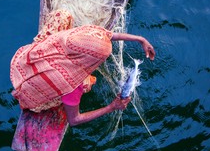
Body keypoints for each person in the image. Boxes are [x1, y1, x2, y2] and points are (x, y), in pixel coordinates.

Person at [10, 9, 155, 126]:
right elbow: (74, 120)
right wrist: (112, 107)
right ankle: (38, 98)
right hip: (32, 97)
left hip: (20, 66)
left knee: (63, 16)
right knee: (87, 82)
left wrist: (140, 39)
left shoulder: (66, 39)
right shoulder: (71, 84)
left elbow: (106, 35)